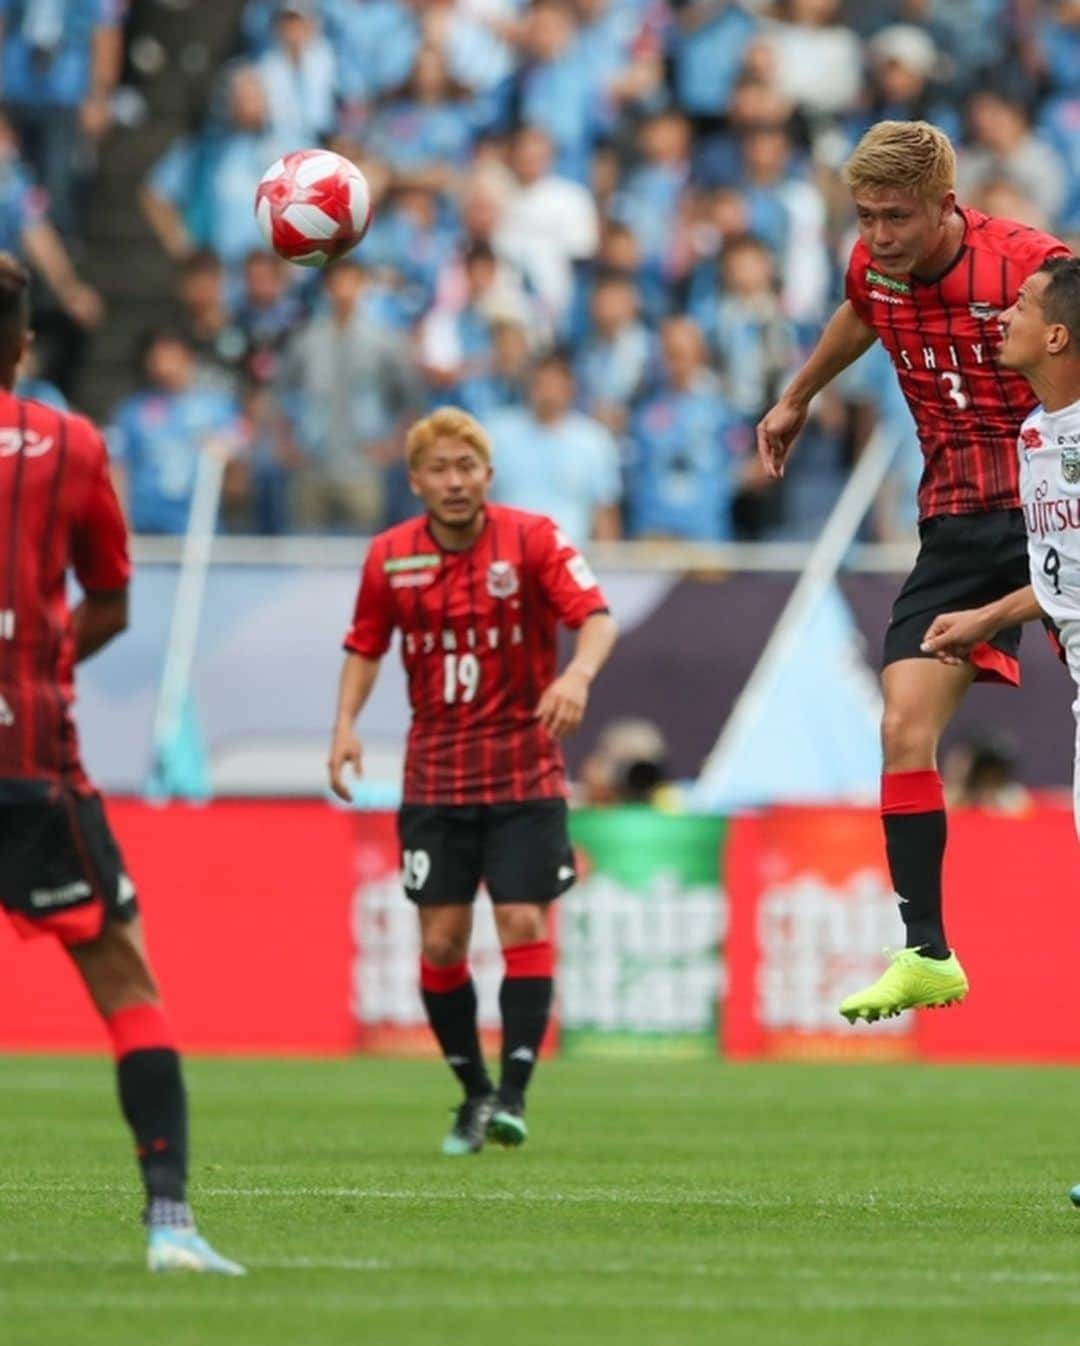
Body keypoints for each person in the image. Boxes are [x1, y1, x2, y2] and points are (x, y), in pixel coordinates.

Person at [756, 121, 1070, 1023]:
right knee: (901, 727)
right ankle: (927, 951)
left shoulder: (1031, 269)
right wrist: (798, 395)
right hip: (956, 523)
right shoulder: (873, 266)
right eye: (865, 217)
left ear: (947, 204)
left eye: (897, 217)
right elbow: (863, 306)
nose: (880, 235)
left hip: (1052, 498)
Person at [0, 254, 241, 1273]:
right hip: (29, 755)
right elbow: (113, 599)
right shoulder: (69, 441)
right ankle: (170, 1224)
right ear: (24, 342)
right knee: (124, 976)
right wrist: (43, 660)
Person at [328, 406, 617, 1154]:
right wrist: (345, 728)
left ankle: (515, 1093)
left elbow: (597, 617)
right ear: (415, 480)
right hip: (436, 777)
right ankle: (475, 1092)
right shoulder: (389, 557)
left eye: (467, 467)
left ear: (488, 474)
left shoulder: (533, 538)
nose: (454, 482)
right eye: (439, 469)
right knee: (445, 940)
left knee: (522, 923)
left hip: (525, 771)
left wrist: (579, 675)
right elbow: (365, 646)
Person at [921, 258, 1080, 837]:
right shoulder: (1035, 433)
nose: (1003, 317)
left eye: (1021, 306)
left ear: (1057, 336)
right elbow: (1061, 580)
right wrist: (983, 620)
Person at [486, 351, 621, 546]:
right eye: (542, 384)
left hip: (568, 556)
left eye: (555, 385)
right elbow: (480, 499)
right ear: (530, 387)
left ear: (570, 388)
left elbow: (605, 512)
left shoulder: (593, 440)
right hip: (507, 556)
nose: (548, 393)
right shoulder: (498, 433)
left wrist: (609, 564)